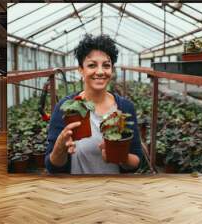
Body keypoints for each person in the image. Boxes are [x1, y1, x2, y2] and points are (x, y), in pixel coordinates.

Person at [45, 34, 142, 174]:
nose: (101, 71)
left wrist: (121, 157)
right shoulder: (66, 108)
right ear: (80, 70)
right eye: (92, 65)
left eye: (106, 65)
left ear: (112, 70)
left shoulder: (125, 107)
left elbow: (137, 161)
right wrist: (60, 148)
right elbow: (52, 166)